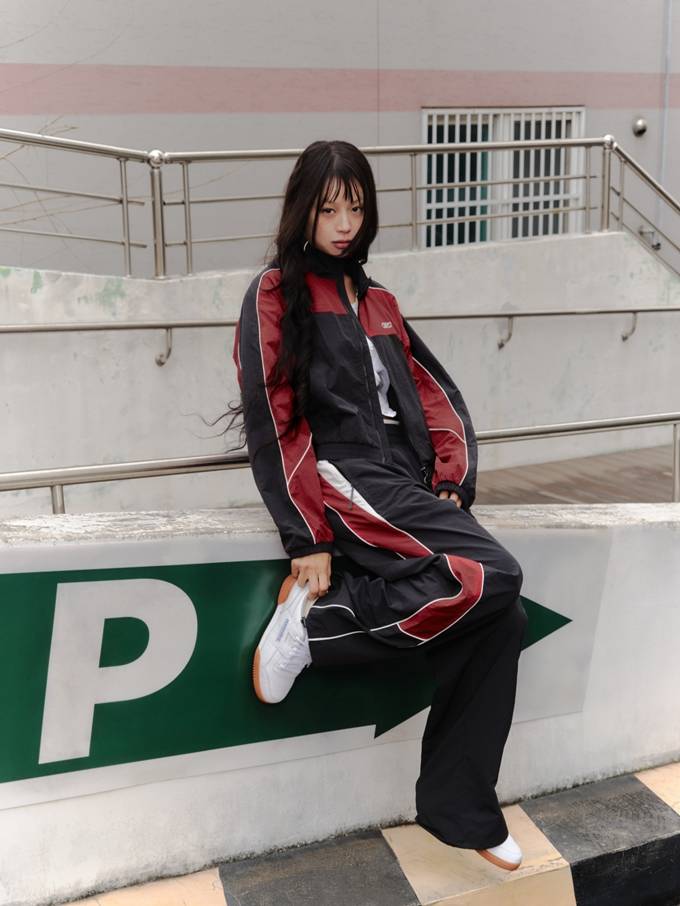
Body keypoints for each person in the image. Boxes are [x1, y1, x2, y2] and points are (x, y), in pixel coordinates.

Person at [231, 139, 528, 872]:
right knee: (494, 575)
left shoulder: (379, 301)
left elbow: (434, 393)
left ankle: (459, 806)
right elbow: (274, 416)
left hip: (404, 480)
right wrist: (306, 535)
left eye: (356, 209)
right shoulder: (276, 293)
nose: (344, 224)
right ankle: (315, 628)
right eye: (329, 208)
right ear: (303, 209)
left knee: (504, 617)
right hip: (342, 471)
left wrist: (453, 476)